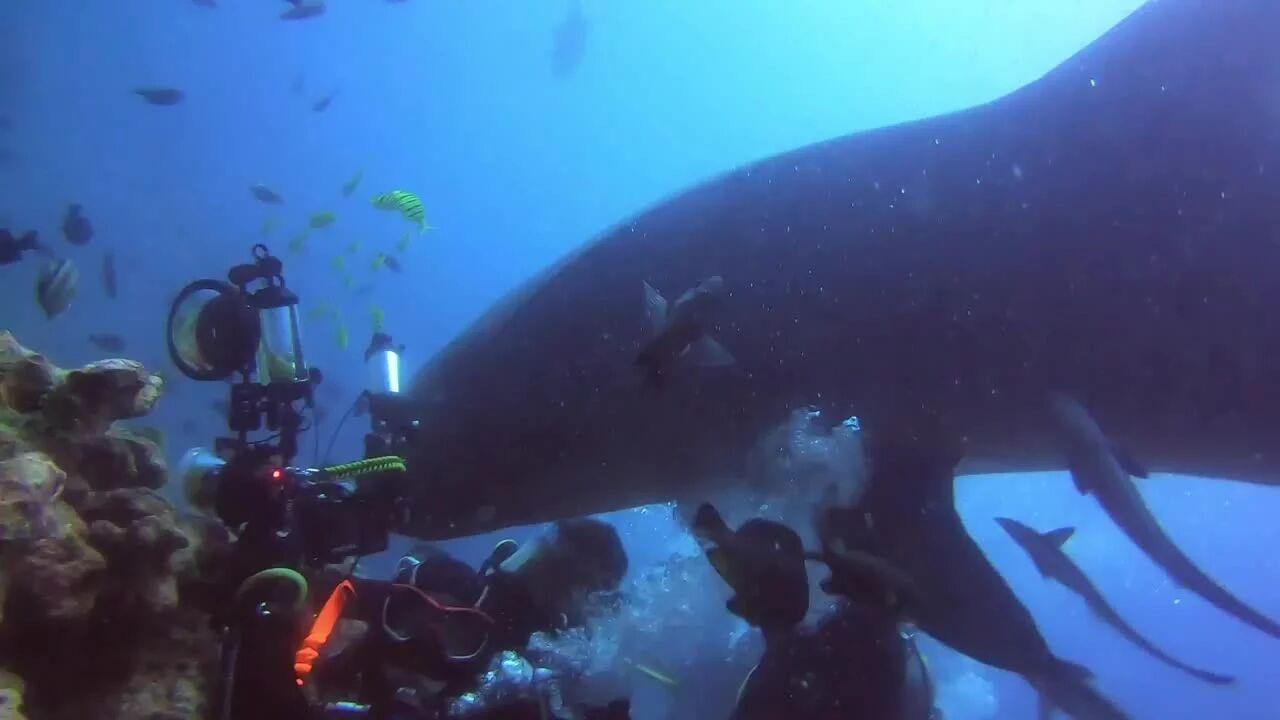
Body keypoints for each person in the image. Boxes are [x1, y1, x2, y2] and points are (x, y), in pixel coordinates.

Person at [305, 517, 631, 719]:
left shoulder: (565, 668)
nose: (528, 577)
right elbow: (346, 594)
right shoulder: (464, 599)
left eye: (554, 572)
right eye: (539, 559)